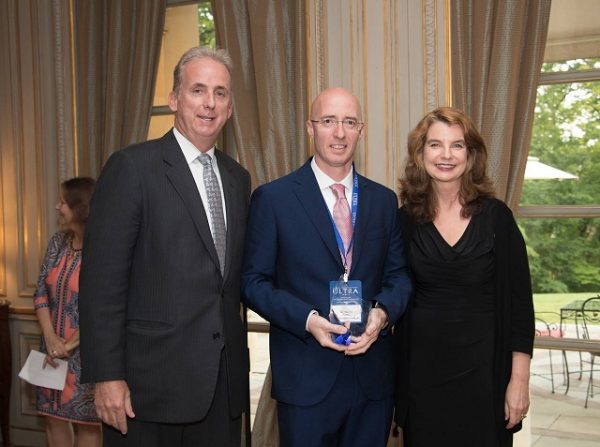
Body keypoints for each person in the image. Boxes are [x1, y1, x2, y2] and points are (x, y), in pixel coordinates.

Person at [78, 46, 251, 447]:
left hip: (221, 389)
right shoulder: (132, 168)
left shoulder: (237, 178)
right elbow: (102, 283)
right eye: (198, 90)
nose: (209, 103)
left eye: (220, 93)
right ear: (174, 99)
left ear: (230, 108)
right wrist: (107, 376)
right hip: (147, 392)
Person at [242, 87, 412, 446]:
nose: (339, 133)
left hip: (372, 380)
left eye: (349, 122)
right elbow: (253, 282)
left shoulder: (383, 201)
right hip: (305, 378)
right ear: (310, 128)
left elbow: (399, 276)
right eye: (328, 121)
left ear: (361, 131)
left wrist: (382, 315)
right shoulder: (274, 199)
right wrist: (307, 320)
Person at [394, 107, 534, 446]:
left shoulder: (497, 218)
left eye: (456, 145)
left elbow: (520, 307)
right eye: (435, 144)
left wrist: (519, 381)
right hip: (422, 377)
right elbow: (391, 288)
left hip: (486, 375)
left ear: (470, 155)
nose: (446, 155)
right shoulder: (404, 220)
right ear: (420, 153)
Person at [34, 177, 101, 447]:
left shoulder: (102, 249)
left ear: (79, 207)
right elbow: (40, 291)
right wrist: (51, 338)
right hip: (50, 351)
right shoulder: (57, 242)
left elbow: (103, 307)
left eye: (62, 202)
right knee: (53, 419)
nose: (57, 207)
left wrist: (69, 345)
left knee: (87, 425)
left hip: (86, 355)